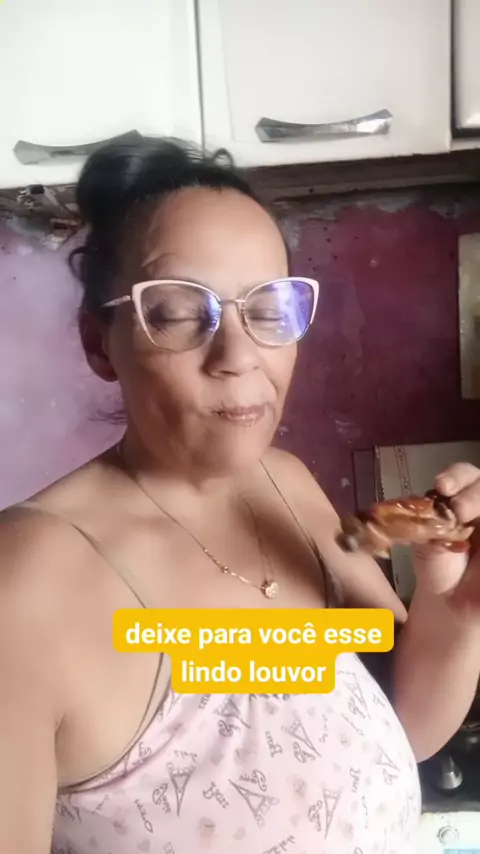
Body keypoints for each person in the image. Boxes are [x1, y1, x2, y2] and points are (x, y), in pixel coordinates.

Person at [1, 139, 480, 854]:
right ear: (100, 343)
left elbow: (395, 731)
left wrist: (455, 604)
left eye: (270, 306)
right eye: (177, 312)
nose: (239, 355)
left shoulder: (285, 485)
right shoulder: (26, 582)